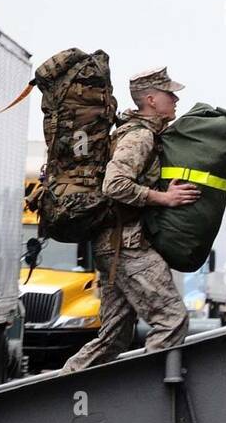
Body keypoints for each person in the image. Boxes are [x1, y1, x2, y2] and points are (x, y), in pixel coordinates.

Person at [61, 67, 195, 373]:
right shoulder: (140, 137)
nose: (175, 99)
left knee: (114, 337)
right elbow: (115, 184)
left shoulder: (136, 132)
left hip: (115, 247)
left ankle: (59, 392)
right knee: (171, 319)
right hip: (128, 247)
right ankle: (154, 398)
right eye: (169, 94)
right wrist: (164, 198)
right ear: (150, 99)